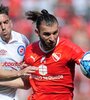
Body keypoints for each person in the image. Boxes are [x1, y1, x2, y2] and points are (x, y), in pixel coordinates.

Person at [0, 9, 85, 100]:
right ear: (37, 33)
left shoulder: (70, 48)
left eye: (55, 33)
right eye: (47, 34)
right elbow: (26, 83)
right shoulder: (30, 51)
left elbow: (86, 62)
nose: (52, 38)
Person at [0, 4, 31, 100]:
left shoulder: (22, 40)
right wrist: (19, 73)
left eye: (5, 22)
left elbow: (27, 84)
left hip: (12, 96)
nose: (3, 27)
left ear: (11, 23)